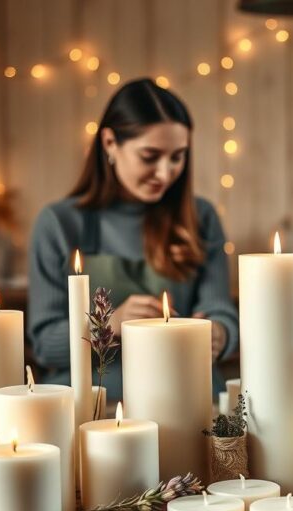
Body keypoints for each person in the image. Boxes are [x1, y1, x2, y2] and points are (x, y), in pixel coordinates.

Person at [29, 78, 238, 399]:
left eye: (177, 157)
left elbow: (220, 310)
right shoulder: (59, 222)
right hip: (94, 408)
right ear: (110, 142)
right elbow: (44, 345)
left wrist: (219, 333)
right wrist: (109, 325)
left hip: (189, 397)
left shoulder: (201, 216)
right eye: (150, 156)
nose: (166, 173)